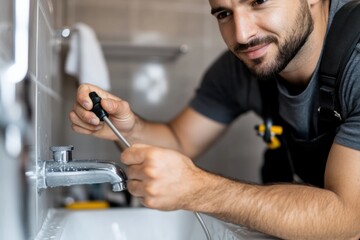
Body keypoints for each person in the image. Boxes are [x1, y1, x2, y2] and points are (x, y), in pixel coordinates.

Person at [69, 0, 360, 239]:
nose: (242, 35)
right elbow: (179, 140)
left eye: (258, 2)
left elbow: (346, 217)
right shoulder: (249, 62)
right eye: (224, 13)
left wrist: (199, 190)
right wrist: (128, 128)